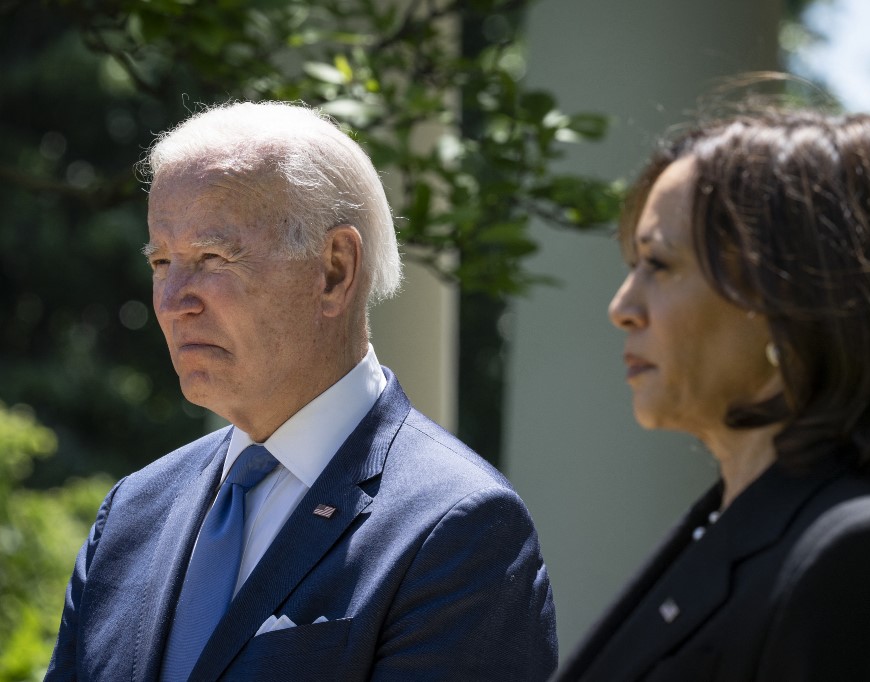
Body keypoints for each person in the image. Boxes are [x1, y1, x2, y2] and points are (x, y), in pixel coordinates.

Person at [46, 101, 557, 681]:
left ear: (335, 270)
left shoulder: (457, 528)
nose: (172, 300)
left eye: (213, 257)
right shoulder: (132, 514)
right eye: (163, 262)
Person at [557, 106, 870, 681]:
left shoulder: (866, 556)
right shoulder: (732, 527)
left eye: (659, 264)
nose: (622, 308)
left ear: (792, 304)